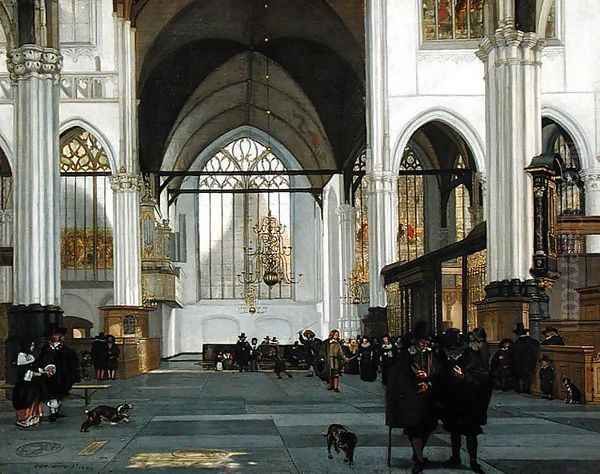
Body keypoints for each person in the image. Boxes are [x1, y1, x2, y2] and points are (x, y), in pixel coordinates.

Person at [386, 322, 442, 474]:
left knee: (428, 427)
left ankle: (417, 454)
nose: (425, 342)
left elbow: (438, 372)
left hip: (429, 397)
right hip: (412, 398)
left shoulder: (431, 354)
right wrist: (415, 384)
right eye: (422, 340)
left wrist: (429, 382)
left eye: (427, 340)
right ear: (416, 340)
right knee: (415, 428)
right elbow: (400, 377)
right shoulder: (406, 355)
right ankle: (418, 459)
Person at [438, 329, 492, 474]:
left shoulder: (473, 354)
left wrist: (464, 377)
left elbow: (482, 376)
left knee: (470, 432)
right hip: (454, 398)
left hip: (470, 399)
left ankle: (473, 461)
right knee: (454, 430)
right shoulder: (448, 354)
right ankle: (455, 457)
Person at [38, 328, 80, 422]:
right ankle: (53, 412)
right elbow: (41, 360)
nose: (57, 337)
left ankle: (56, 411)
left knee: (59, 394)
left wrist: (73, 375)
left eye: (58, 335)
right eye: (55, 335)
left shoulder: (67, 350)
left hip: (62, 376)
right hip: (48, 376)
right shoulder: (45, 349)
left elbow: (72, 363)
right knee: (51, 394)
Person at [12, 340, 47, 428]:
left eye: (33, 345)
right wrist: (36, 373)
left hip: (32, 384)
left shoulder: (31, 356)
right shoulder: (21, 356)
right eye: (31, 345)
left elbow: (34, 366)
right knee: (26, 400)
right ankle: (25, 419)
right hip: (23, 385)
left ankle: (34, 417)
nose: (32, 347)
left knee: (35, 398)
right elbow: (24, 371)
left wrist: (41, 371)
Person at [512, 323, 540, 394]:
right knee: (528, 377)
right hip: (531, 363)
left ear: (517, 334)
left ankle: (520, 389)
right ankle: (527, 389)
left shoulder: (516, 343)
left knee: (520, 377)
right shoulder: (533, 341)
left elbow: (515, 356)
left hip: (520, 364)